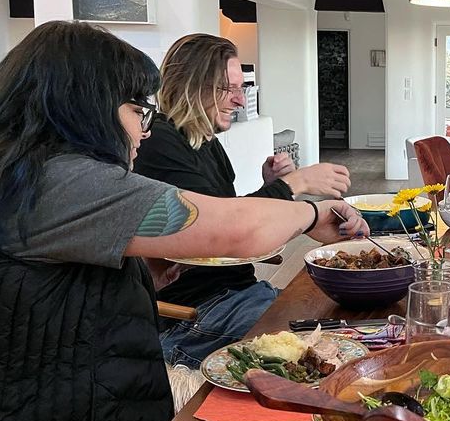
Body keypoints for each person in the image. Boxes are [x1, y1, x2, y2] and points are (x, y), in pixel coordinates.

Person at [0, 21, 367, 421]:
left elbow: (35, 306)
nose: (144, 133)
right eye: (137, 112)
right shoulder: (54, 180)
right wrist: (313, 212)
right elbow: (239, 229)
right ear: (85, 105)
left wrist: (144, 278)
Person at [134, 33, 353, 369]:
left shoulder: (205, 142)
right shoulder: (160, 143)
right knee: (326, 355)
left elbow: (230, 216)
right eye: (228, 88)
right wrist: (296, 183)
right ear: (192, 84)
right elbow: (224, 233)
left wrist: (272, 187)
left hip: (241, 293)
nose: (239, 100)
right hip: (196, 314)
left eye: (242, 88)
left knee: (346, 329)